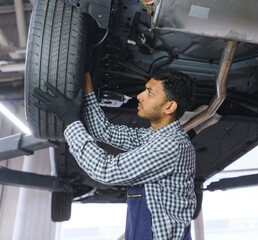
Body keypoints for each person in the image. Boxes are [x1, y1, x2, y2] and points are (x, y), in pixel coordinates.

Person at [33, 68, 196, 240]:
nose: (139, 96)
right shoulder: (154, 136)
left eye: (150, 93)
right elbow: (105, 132)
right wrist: (88, 89)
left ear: (169, 107)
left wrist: (71, 120)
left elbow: (106, 170)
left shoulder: (171, 145)